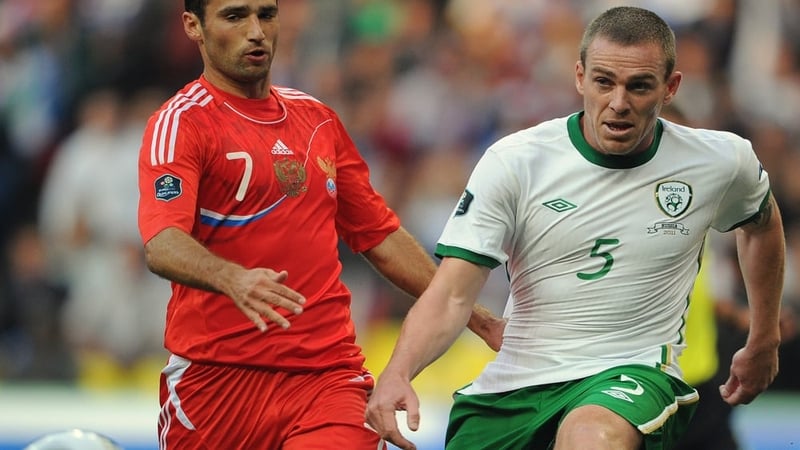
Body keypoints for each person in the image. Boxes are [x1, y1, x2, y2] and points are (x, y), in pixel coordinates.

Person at [365, 6, 785, 450]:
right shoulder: (516, 162)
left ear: (670, 87)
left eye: (639, 86)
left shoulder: (720, 160)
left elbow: (762, 224)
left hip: (633, 373)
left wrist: (763, 338)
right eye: (605, 82)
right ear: (580, 77)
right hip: (517, 385)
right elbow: (452, 293)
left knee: (590, 438)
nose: (619, 103)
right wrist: (398, 372)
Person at [136, 1, 504, 449]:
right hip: (216, 383)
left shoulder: (316, 120)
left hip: (327, 377)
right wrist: (231, 278)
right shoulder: (181, 124)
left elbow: (381, 236)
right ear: (194, 26)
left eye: (266, 15)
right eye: (235, 17)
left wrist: (474, 314)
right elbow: (162, 243)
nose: (256, 31)